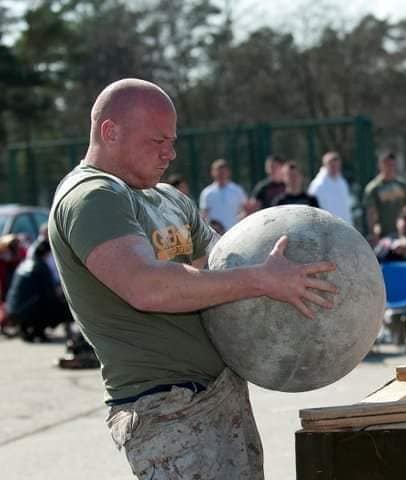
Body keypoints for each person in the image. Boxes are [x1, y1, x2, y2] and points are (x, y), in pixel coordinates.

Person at [48, 78, 337, 479]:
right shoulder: (92, 196)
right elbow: (146, 286)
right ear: (110, 132)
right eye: (157, 141)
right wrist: (262, 279)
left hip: (222, 395)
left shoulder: (168, 198)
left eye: (173, 140)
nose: (171, 153)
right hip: (165, 408)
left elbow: (225, 266)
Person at [5, 238, 73, 342]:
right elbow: (49, 293)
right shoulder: (40, 266)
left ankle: (29, 329)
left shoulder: (24, 264)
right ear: (46, 253)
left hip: (12, 309)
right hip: (28, 311)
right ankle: (38, 330)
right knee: (63, 307)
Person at [363, 152, 406, 242]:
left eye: (392, 164)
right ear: (380, 165)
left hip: (404, 235)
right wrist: (373, 233)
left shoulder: (402, 185)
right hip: (383, 235)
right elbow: (370, 213)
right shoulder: (373, 188)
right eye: (387, 164)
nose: (390, 167)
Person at [199, 158, 247, 231]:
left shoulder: (237, 190)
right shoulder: (207, 192)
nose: (221, 175)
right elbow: (203, 215)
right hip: (215, 234)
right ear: (212, 172)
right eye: (218, 172)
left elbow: (245, 209)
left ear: (228, 172)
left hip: (235, 232)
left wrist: (239, 221)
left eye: (223, 172)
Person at [308, 151, 353, 223]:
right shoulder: (318, 185)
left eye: (337, 165)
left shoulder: (342, 182)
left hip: (344, 227)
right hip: (326, 228)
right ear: (325, 165)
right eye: (332, 165)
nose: (335, 168)